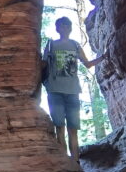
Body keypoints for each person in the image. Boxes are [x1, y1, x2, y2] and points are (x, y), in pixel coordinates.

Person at [41, 17, 103, 162]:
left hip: (73, 91)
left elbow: (87, 64)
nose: (64, 28)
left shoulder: (75, 45)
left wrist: (103, 57)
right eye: (61, 25)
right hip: (55, 90)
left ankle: (75, 163)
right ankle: (64, 162)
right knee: (59, 127)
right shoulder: (51, 44)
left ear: (70, 28)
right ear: (57, 28)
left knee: (73, 129)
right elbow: (43, 64)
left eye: (66, 25)